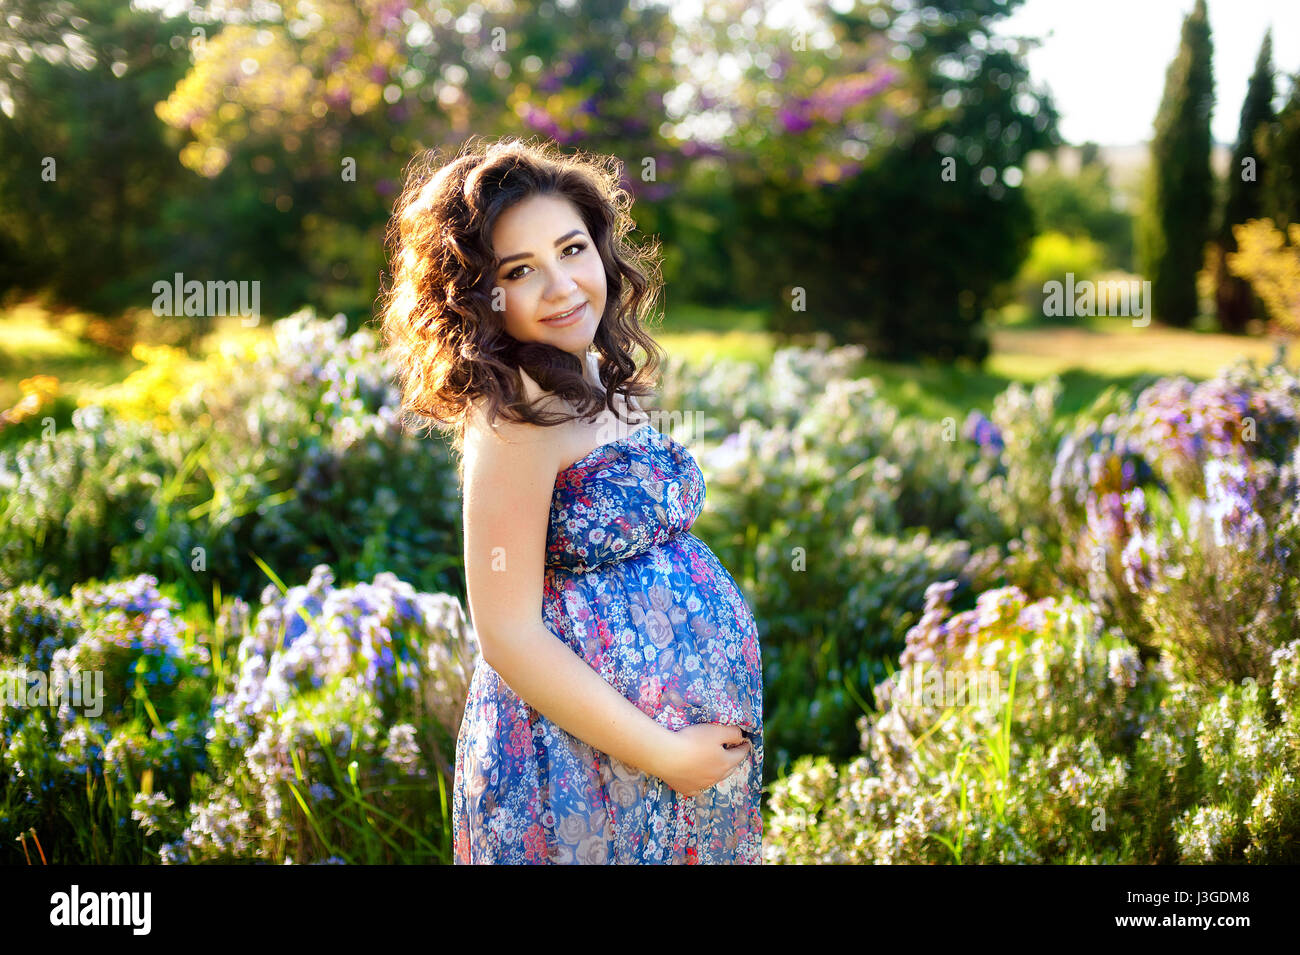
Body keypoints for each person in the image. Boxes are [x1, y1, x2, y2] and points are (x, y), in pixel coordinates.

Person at [378, 135, 763, 864]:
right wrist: (665, 754)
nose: (561, 286)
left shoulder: (589, 371)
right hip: (580, 771)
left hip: (665, 768)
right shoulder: (514, 418)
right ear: (477, 294)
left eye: (573, 249)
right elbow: (508, 636)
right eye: (521, 270)